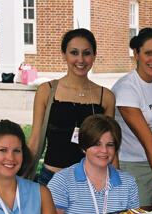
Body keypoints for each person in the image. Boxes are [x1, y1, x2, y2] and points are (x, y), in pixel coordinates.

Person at [28, 28, 115, 185]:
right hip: (51, 181)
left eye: (86, 53)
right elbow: (35, 141)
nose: (80, 60)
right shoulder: (46, 91)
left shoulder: (106, 97)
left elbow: (110, 148)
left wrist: (116, 186)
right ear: (64, 55)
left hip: (90, 184)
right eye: (74, 52)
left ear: (94, 56)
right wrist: (20, 179)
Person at [112, 27, 152, 209]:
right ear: (136, 54)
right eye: (148, 53)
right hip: (132, 165)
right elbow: (147, 142)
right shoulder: (126, 90)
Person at [48, 115, 140, 214]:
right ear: (83, 147)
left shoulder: (128, 182)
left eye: (110, 144)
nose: (104, 150)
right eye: (97, 144)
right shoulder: (62, 181)